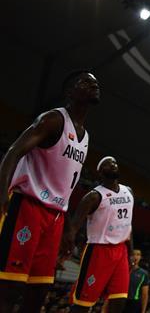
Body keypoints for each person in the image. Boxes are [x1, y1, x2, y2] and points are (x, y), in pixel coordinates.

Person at [0, 71, 98, 313]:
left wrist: (68, 227)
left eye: (96, 83)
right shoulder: (53, 120)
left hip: (55, 217)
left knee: (38, 292)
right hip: (28, 207)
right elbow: (13, 152)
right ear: (70, 92)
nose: (94, 85)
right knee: (10, 286)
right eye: (85, 82)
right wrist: (2, 194)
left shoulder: (85, 137)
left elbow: (66, 183)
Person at [66, 156, 133, 311]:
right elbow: (75, 225)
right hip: (98, 250)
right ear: (100, 172)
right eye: (108, 165)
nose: (113, 165)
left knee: (119, 301)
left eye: (115, 163)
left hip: (121, 250)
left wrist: (129, 251)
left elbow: (129, 225)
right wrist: (68, 244)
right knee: (83, 302)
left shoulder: (128, 191)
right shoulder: (93, 196)